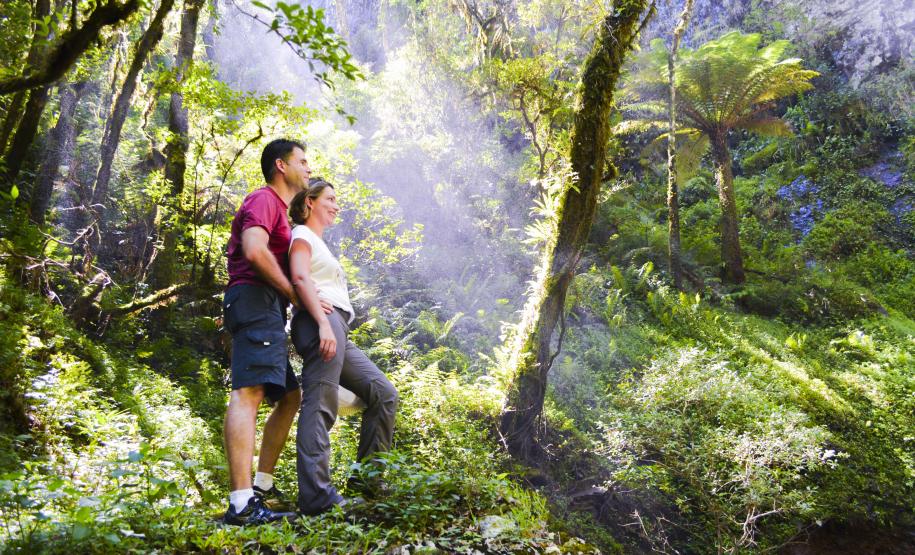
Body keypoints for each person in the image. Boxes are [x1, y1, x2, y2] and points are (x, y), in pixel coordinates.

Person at [288, 178, 399, 515]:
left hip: (336, 325)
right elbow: (299, 277)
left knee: (383, 393)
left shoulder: (319, 243)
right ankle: (317, 498)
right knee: (320, 403)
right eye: (330, 199)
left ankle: (367, 484)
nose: (337, 206)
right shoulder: (302, 234)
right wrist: (323, 324)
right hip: (321, 321)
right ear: (310, 201)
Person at [221, 139, 316, 525]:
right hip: (254, 299)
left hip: (266, 308)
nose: (308, 168)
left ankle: (260, 487)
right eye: (302, 161)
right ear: (281, 165)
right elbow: (255, 250)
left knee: (290, 396)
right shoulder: (263, 199)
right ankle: (241, 503)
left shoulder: (281, 210)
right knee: (248, 393)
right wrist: (292, 292)